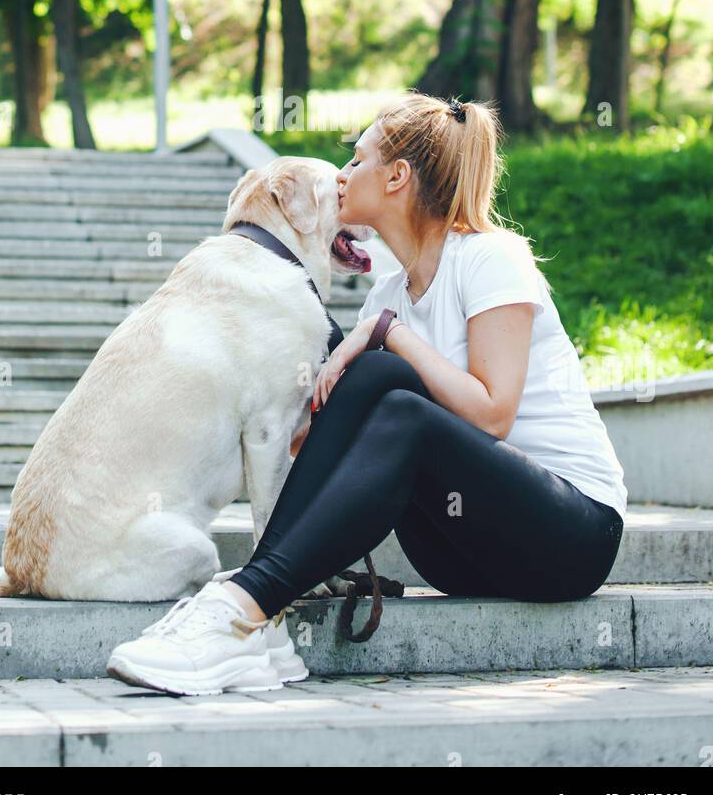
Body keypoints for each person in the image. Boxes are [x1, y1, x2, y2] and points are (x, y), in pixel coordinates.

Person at [106, 90, 627, 697]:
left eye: (357, 160)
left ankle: (245, 606)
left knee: (395, 392)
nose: (344, 175)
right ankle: (263, 608)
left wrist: (389, 335)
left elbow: (493, 415)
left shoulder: (489, 259)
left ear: (398, 176)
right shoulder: (385, 296)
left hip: (570, 535)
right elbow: (337, 437)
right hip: (458, 550)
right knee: (380, 379)